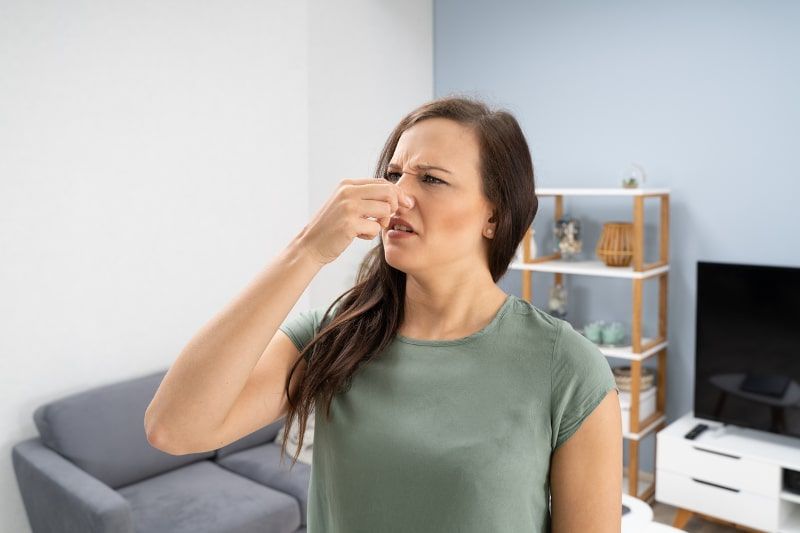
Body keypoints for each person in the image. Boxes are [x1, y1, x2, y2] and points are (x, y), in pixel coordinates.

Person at [145, 95, 622, 533]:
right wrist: (307, 250)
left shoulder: (567, 368)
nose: (398, 195)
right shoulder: (333, 338)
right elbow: (174, 428)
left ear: (494, 217)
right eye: (394, 175)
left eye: (431, 179)